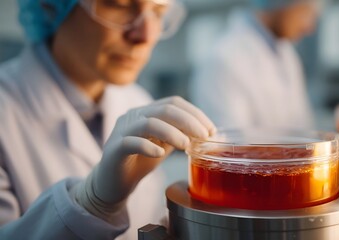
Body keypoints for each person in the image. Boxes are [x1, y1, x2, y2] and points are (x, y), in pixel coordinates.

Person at [0, 0, 215, 239]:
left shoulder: (136, 100)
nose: (145, 35)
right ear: (47, 5)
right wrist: (90, 205)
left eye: (158, 11)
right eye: (119, 4)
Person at [190, 0, 323, 129]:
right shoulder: (222, 59)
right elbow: (231, 145)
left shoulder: (287, 53)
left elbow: (303, 127)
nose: (309, 28)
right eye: (306, 13)